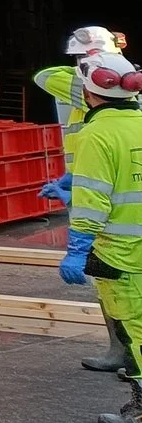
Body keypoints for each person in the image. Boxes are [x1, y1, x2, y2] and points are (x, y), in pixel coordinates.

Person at [40, 28, 132, 373]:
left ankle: (133, 366)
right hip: (114, 205)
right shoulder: (120, 110)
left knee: (127, 297)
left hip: (115, 216)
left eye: (85, 60)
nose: (81, 67)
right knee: (115, 292)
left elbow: (45, 76)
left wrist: (78, 247)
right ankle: (122, 355)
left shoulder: (101, 117)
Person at [63, 50, 142, 423]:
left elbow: (94, 201)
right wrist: (69, 187)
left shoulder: (96, 133)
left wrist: (77, 250)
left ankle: (141, 411)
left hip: (122, 255)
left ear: (90, 93)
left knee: (135, 331)